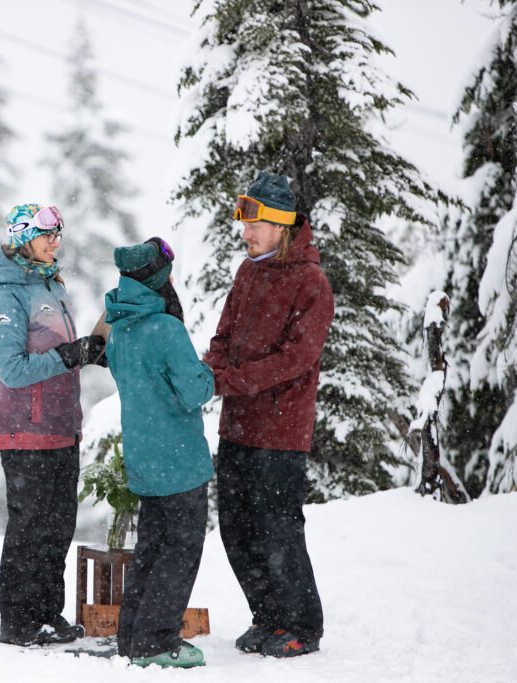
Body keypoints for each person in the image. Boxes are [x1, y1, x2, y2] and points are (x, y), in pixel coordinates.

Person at [202, 170, 334, 658]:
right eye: (244, 223)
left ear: (280, 225)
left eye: (254, 224)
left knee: (278, 527)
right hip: (236, 426)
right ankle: (268, 616)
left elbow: (296, 359)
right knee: (236, 526)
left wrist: (230, 381)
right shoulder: (248, 271)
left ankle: (302, 625)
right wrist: (206, 372)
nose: (246, 232)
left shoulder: (311, 282)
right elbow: (223, 337)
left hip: (280, 432)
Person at [0, 203, 107, 647]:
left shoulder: (51, 286)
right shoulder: (5, 295)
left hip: (60, 428)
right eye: (46, 234)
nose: (56, 240)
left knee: (58, 526)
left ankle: (46, 614)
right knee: (30, 527)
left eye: (58, 232)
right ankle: (17, 621)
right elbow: (12, 370)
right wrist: (70, 354)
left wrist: (89, 352)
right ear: (22, 239)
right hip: (25, 432)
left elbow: (59, 357)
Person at [103, 238, 215, 669]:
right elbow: (195, 391)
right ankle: (156, 640)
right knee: (181, 549)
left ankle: (132, 635)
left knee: (151, 547)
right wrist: (206, 370)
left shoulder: (120, 327)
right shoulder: (166, 329)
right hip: (179, 459)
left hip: (144, 458)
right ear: (159, 278)